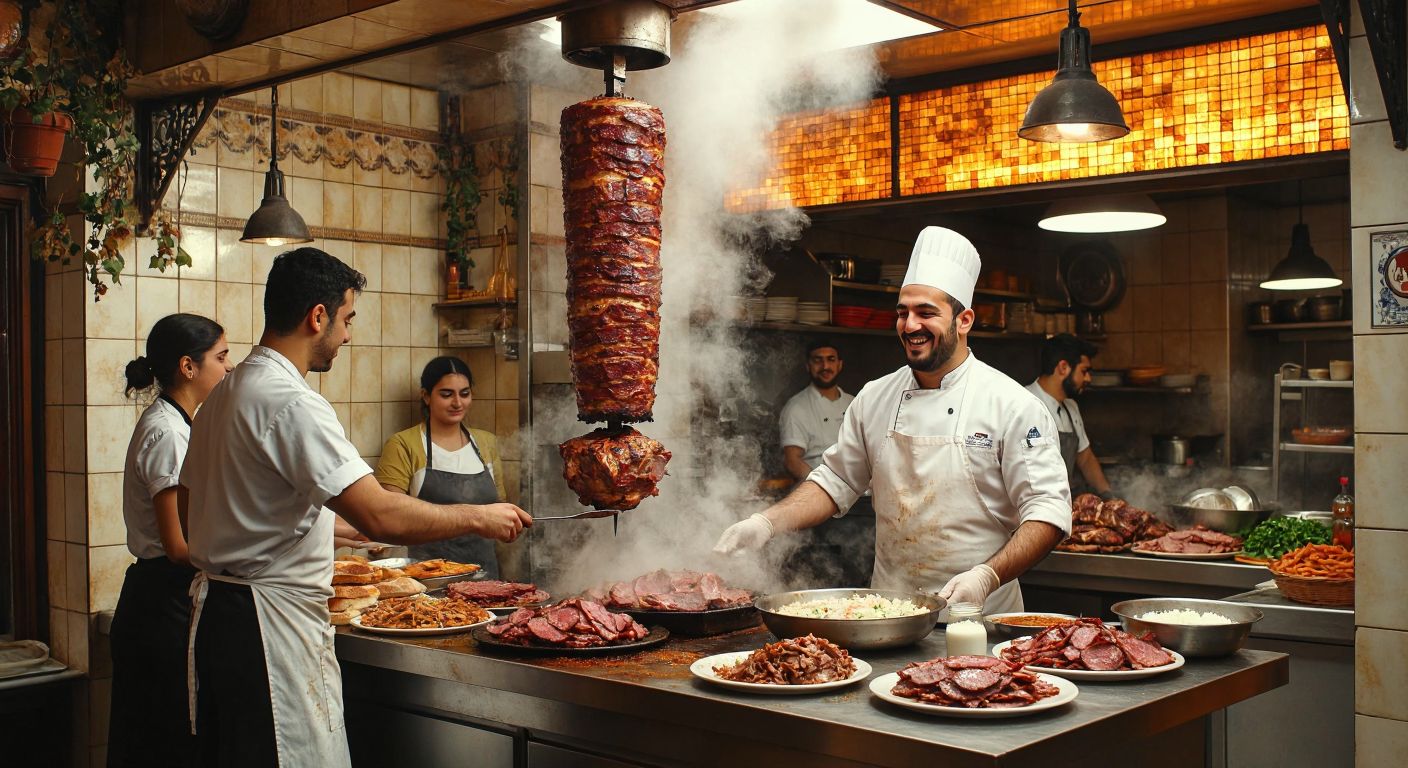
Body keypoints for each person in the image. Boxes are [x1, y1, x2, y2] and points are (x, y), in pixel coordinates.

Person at [181, 247, 532, 767]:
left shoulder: (227, 392)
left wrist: (318, 528)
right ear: (316, 316)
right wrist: (480, 514)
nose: (347, 335)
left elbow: (198, 507)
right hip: (268, 632)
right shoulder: (292, 401)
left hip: (219, 620)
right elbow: (382, 515)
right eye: (346, 319)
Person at [714, 227, 1071, 614]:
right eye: (903, 312)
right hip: (891, 614)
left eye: (926, 313)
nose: (910, 325)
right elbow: (835, 481)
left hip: (981, 620)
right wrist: (766, 523)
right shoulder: (875, 397)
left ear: (964, 320)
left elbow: (1047, 511)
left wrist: (986, 576)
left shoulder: (1012, 405)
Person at [108, 314, 231, 768]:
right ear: (188, 366)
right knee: (164, 746)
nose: (230, 367)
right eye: (221, 357)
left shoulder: (181, 423)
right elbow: (179, 547)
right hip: (161, 606)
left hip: (166, 600)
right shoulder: (167, 433)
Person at [376, 356, 508, 576]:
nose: (457, 403)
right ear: (426, 396)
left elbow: (500, 506)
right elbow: (389, 516)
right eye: (446, 394)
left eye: (464, 394)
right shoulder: (403, 445)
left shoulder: (487, 443)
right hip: (426, 580)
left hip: (485, 578)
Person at [1027, 334, 1115, 499]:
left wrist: (1109, 497)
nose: (1088, 378)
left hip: (1065, 504)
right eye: (1084, 371)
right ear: (1063, 368)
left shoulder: (1071, 407)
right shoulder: (1023, 404)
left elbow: (1085, 458)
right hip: (1033, 506)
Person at [779, 339, 853, 482]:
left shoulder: (854, 403)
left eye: (831, 360)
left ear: (839, 365)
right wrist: (823, 487)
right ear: (808, 366)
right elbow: (792, 461)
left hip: (858, 492)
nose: (825, 366)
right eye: (817, 360)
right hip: (819, 490)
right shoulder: (796, 407)